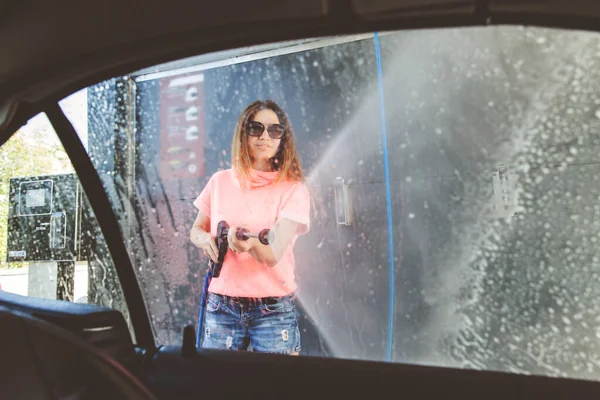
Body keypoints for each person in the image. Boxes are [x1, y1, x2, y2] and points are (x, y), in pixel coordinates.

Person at [190, 100, 310, 355]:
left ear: (282, 139)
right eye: (256, 128)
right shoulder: (219, 181)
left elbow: (273, 253)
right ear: (243, 134)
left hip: (273, 311)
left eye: (274, 130)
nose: (265, 136)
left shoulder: (294, 191)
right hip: (221, 307)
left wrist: (250, 245)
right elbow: (197, 229)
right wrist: (206, 241)